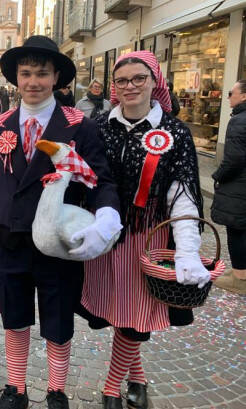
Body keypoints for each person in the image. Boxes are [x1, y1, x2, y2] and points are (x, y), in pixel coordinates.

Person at [0, 36, 121, 409]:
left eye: (41, 73)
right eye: (26, 74)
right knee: (15, 318)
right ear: (15, 80)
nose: (33, 81)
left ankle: (55, 390)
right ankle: (16, 388)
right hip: (11, 239)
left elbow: (101, 179)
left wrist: (107, 216)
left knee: (57, 321)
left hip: (56, 242)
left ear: (56, 78)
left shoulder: (78, 125)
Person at [79, 51, 210, 409]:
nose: (130, 86)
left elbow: (183, 196)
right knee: (121, 313)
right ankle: (136, 378)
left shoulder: (174, 132)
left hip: (146, 237)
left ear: (155, 82)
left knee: (134, 317)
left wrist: (186, 249)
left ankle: (110, 389)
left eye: (139, 78)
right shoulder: (101, 125)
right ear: (114, 87)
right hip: (107, 237)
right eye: (122, 81)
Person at [211, 80, 246, 295]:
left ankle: (239, 277)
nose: (228, 97)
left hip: (239, 186)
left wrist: (218, 176)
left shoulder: (239, 121)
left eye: (231, 92)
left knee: (237, 229)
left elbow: (234, 159)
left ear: (243, 96)